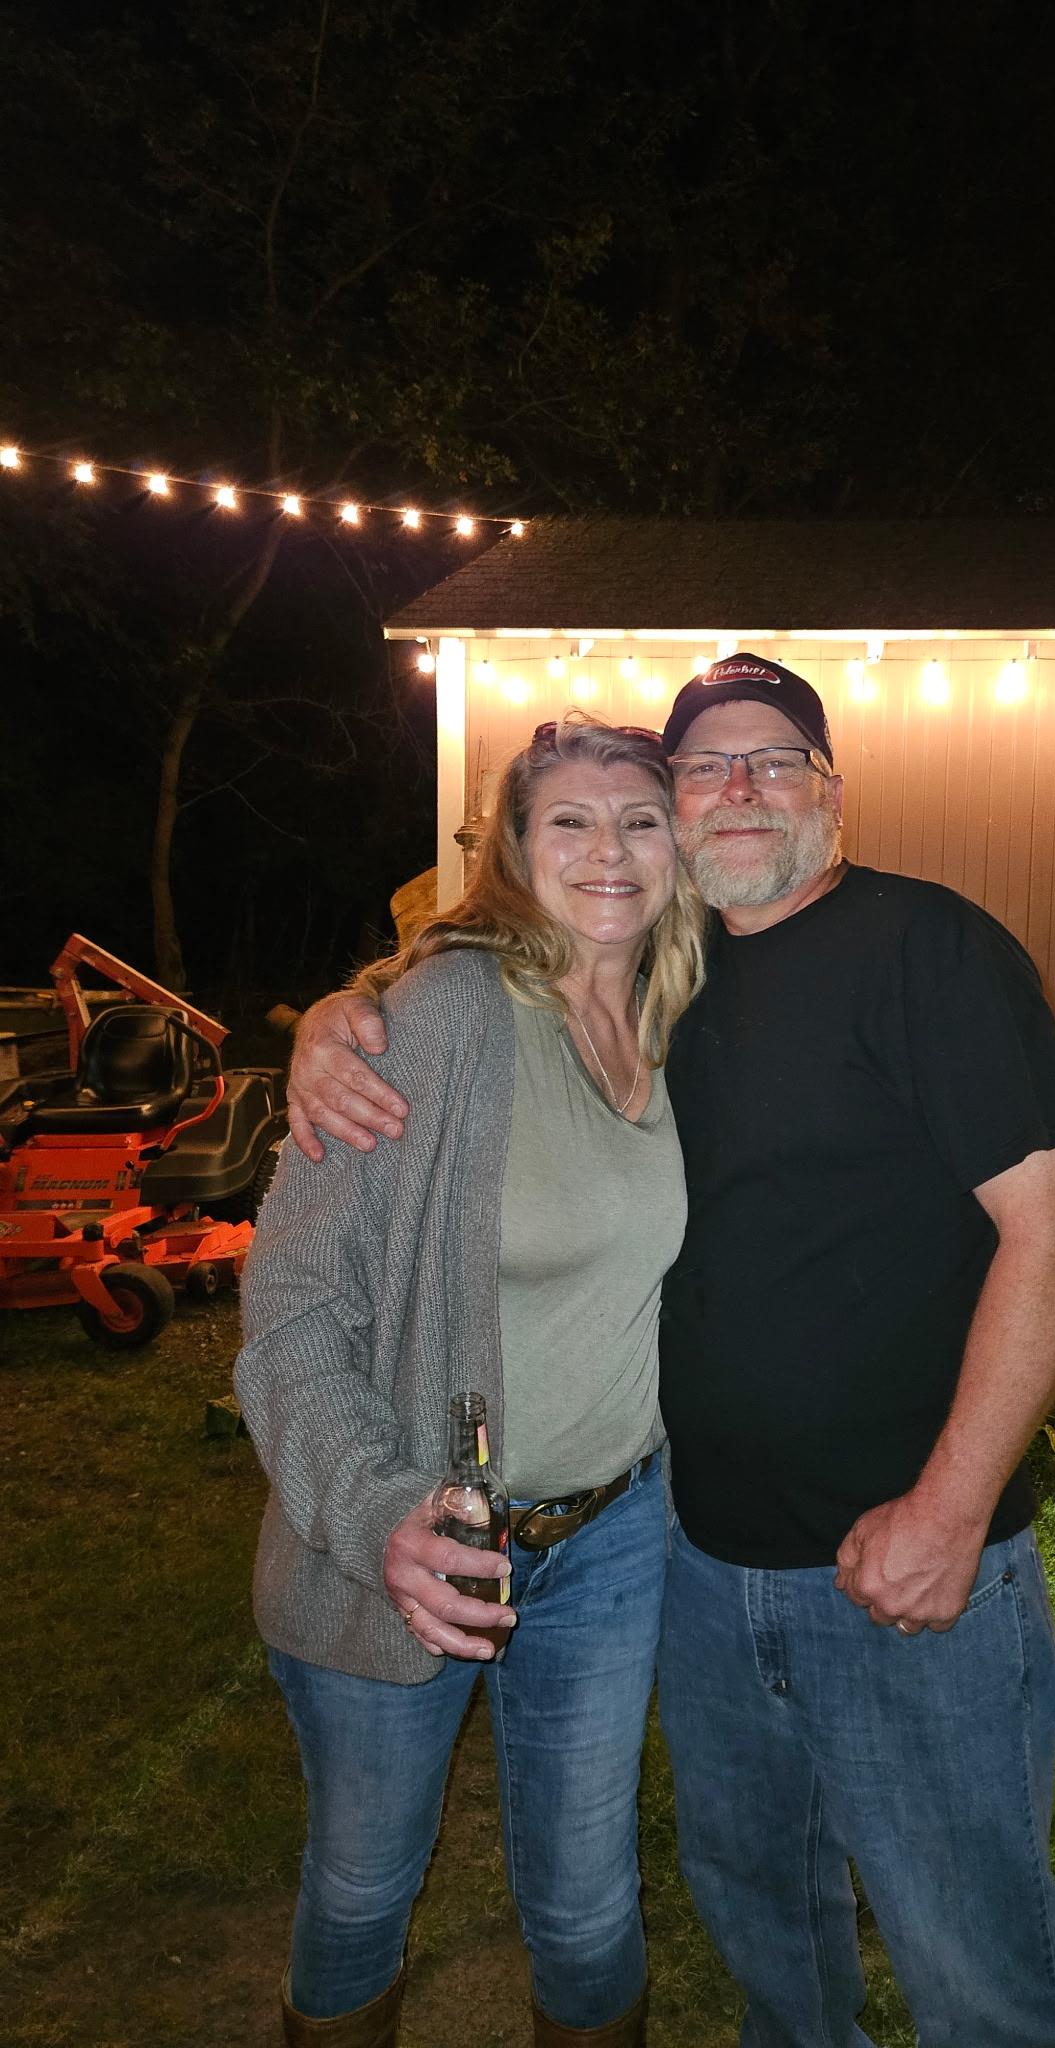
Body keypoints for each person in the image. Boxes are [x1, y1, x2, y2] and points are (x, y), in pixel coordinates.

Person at [288, 655, 1055, 2048]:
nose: (740, 790)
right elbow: (494, 970)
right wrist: (342, 1012)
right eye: (705, 768)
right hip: (702, 1575)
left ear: (830, 795)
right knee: (763, 1935)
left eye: (775, 760)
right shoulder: (667, 971)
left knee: (971, 1956)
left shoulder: (930, 950)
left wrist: (950, 1510)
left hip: (901, 1578)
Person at [236, 714, 706, 2048]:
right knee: (363, 1887)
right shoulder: (438, 1021)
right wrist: (378, 1505)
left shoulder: (687, 1021)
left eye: (640, 819)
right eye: (570, 819)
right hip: (405, 1538)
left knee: (587, 1899)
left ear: (680, 848)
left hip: (609, 1534)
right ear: (510, 848)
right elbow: (291, 1305)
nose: (609, 848)